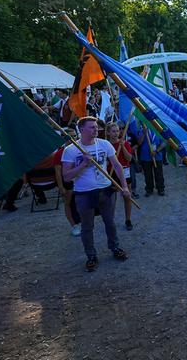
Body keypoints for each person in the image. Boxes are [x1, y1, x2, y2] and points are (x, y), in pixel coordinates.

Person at [61, 116, 131, 272]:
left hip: (105, 190)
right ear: (81, 130)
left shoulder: (104, 144)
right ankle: (91, 256)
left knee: (110, 222)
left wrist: (124, 187)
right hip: (84, 193)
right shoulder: (71, 150)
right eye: (92, 127)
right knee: (87, 227)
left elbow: (117, 166)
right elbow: (66, 176)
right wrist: (84, 164)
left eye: (96, 127)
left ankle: (115, 248)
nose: (96, 130)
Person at [107, 123, 135, 230]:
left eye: (117, 131)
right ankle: (111, 220)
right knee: (111, 200)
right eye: (113, 131)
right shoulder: (106, 145)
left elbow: (129, 159)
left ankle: (128, 220)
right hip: (111, 173)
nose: (116, 133)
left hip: (125, 172)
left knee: (127, 197)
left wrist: (122, 146)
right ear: (108, 132)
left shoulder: (125, 143)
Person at [135, 122, 166, 197]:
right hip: (145, 157)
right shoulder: (142, 130)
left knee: (159, 173)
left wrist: (157, 151)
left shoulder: (159, 129)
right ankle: (149, 189)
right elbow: (139, 143)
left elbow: (164, 143)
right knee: (147, 174)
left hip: (157, 156)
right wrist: (144, 133)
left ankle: (160, 189)